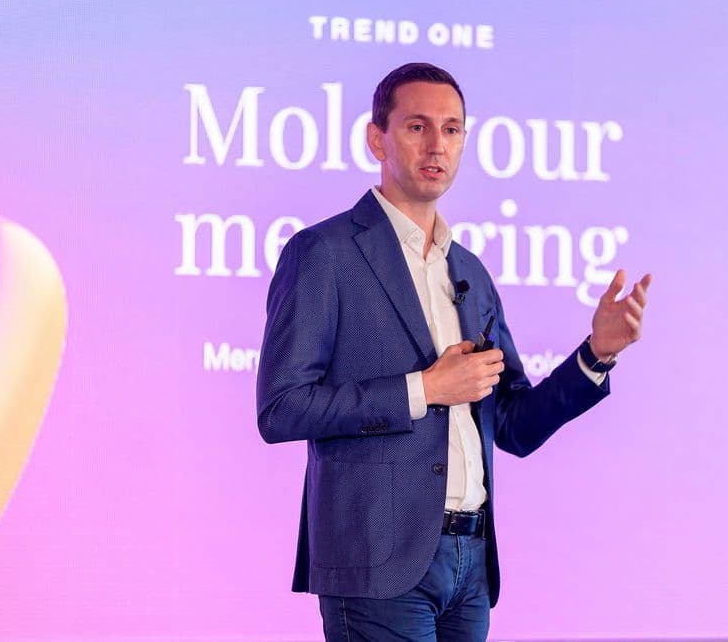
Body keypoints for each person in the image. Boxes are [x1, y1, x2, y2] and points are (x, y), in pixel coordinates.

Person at [256, 62, 651, 641]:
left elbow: (512, 425)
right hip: (377, 561)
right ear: (377, 139)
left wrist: (595, 354)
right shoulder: (325, 253)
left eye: (451, 129)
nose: (436, 144)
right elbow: (282, 408)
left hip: (470, 566)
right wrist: (424, 389)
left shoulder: (470, 271)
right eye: (417, 127)